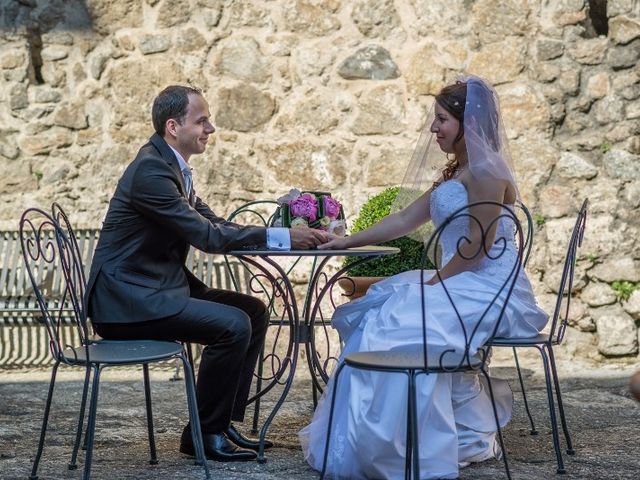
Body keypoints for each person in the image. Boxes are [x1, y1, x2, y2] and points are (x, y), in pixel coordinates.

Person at [299, 76, 549, 479]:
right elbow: (403, 219)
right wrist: (342, 243)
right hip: (458, 277)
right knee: (381, 308)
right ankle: (375, 440)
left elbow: (477, 247)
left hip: (489, 286)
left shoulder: (486, 171)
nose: (434, 128)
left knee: (397, 320)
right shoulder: (462, 170)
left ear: (467, 123)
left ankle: (407, 445)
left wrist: (433, 286)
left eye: (441, 119)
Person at [85, 85, 328, 462]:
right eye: (202, 121)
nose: (210, 129)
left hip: (157, 287)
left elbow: (213, 222)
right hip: (126, 301)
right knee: (232, 326)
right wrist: (281, 236)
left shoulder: (171, 166)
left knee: (253, 311)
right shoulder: (150, 171)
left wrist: (279, 235)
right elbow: (206, 236)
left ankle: (220, 422)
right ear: (172, 126)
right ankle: (204, 433)